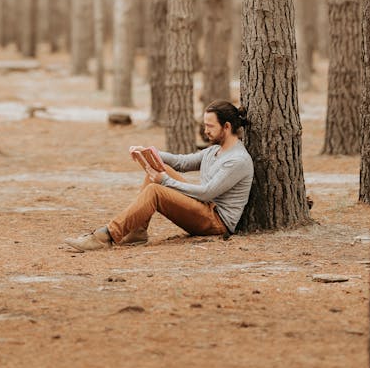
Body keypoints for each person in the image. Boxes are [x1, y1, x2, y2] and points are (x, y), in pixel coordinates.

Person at [64, 100, 254, 253]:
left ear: (227, 127)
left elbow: (206, 193)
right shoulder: (214, 150)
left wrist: (165, 181)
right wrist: (148, 152)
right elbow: (181, 163)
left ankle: (105, 236)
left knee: (156, 188)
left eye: (210, 126)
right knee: (154, 172)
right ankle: (137, 232)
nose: (205, 131)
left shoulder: (237, 160)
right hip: (204, 207)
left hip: (216, 221)